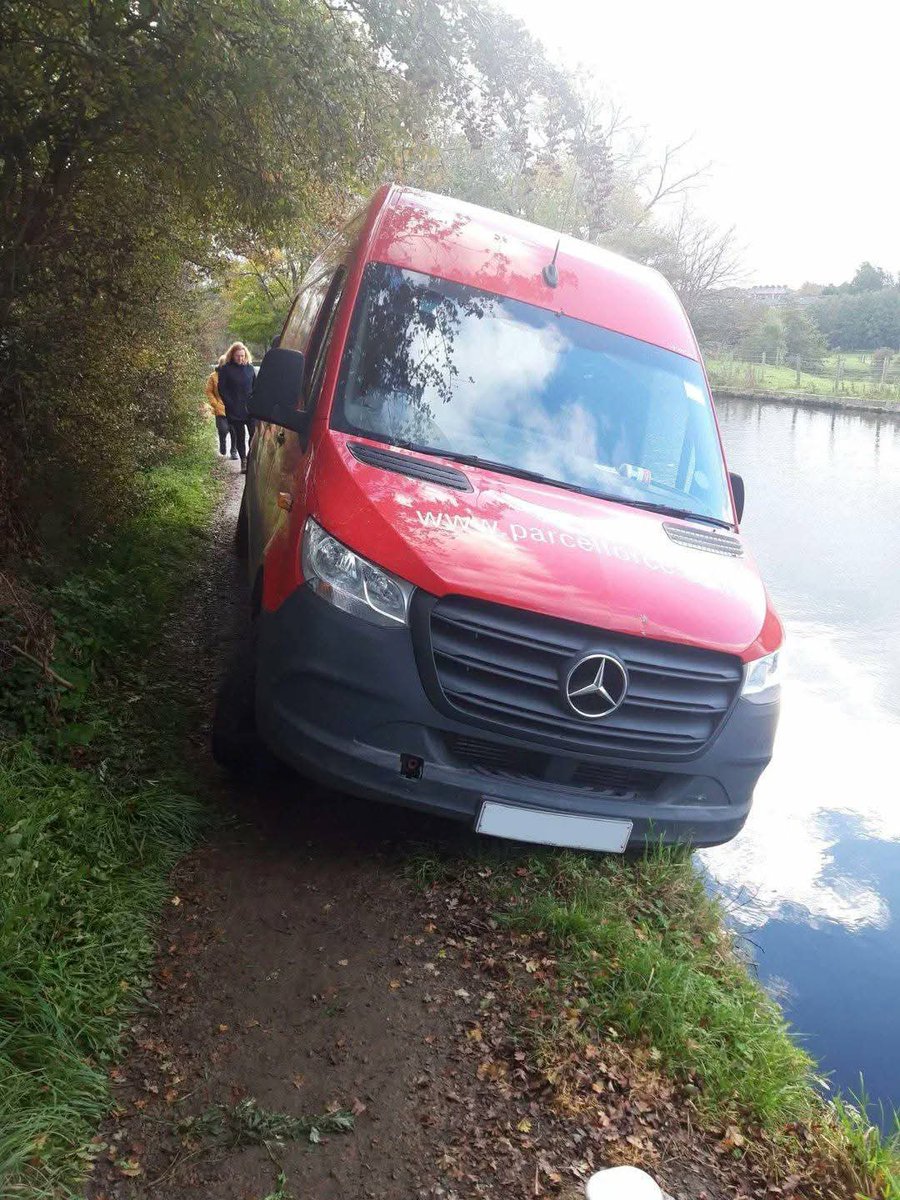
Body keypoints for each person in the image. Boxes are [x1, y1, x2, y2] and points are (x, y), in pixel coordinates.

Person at [217, 342, 256, 472]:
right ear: (232, 355)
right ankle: (243, 461)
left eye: (242, 356)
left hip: (250, 408)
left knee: (254, 433)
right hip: (234, 408)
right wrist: (229, 403)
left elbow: (255, 387)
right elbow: (222, 389)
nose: (240, 358)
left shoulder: (250, 369)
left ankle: (251, 457)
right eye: (238, 356)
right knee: (240, 435)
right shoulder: (226, 369)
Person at [205, 355, 236, 459]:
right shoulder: (213, 376)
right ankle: (222, 443)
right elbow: (209, 391)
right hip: (220, 407)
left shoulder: (234, 375)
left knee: (234, 430)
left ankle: (233, 451)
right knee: (223, 429)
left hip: (234, 407)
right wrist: (215, 403)